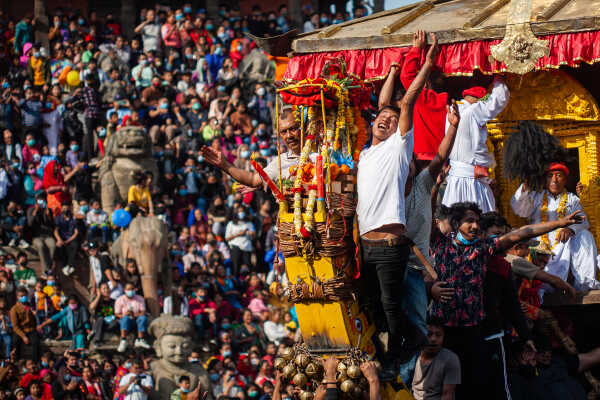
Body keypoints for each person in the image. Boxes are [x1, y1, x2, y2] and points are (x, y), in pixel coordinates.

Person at [430, 201, 584, 398]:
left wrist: (559, 223)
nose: (475, 226)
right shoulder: (440, 246)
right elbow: (427, 205)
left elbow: (523, 233)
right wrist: (433, 187)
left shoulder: (483, 249)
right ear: (455, 223)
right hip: (445, 335)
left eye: (477, 222)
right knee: (448, 391)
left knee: (476, 388)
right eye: (469, 221)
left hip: (473, 335)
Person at [357, 32, 437, 378]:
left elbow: (404, 104)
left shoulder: (397, 149)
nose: (386, 121)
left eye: (392, 121)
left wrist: (424, 64)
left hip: (390, 244)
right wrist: (390, 72)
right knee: (373, 306)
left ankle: (401, 354)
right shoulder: (366, 153)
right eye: (381, 118)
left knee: (391, 307)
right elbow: (385, 105)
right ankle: (396, 348)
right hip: (367, 243)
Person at [511, 162, 600, 295]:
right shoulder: (536, 197)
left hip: (563, 246)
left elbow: (583, 220)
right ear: (545, 180)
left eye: (558, 175)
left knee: (585, 236)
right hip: (539, 248)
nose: (554, 180)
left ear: (565, 180)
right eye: (550, 176)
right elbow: (519, 209)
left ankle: (584, 285)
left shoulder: (572, 199)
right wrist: (525, 186)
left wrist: (570, 229)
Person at [441, 77, 510, 212]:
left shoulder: (453, 112)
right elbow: (500, 98)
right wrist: (499, 77)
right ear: (477, 100)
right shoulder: (472, 111)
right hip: (470, 181)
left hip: (458, 180)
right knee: (478, 222)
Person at [411, 317, 460, 400]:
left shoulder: (450, 359)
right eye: (429, 334)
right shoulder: (412, 357)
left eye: (438, 335)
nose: (433, 339)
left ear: (443, 336)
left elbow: (447, 395)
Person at [114, 283, 151, 352]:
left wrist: (135, 315)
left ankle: (140, 339)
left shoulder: (140, 298)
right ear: (124, 290)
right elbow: (117, 314)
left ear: (135, 289)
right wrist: (125, 314)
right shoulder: (120, 300)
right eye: (128, 289)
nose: (130, 291)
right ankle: (123, 340)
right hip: (125, 320)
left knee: (143, 318)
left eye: (132, 289)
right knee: (125, 318)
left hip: (136, 319)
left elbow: (143, 311)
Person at [26, 193, 56, 274]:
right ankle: (45, 270)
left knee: (52, 245)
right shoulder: (30, 210)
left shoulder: (47, 210)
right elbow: (30, 224)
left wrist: (48, 215)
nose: (41, 202)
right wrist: (35, 211)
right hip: (37, 236)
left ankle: (49, 267)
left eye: (42, 200)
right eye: (39, 200)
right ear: (35, 202)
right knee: (40, 246)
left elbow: (52, 225)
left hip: (47, 235)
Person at [10, 287, 40, 361]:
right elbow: (15, 326)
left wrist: (34, 314)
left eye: (25, 295)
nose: (23, 297)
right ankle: (17, 361)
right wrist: (23, 336)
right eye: (21, 296)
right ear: (17, 297)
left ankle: (35, 362)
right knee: (15, 341)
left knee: (36, 342)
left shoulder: (31, 306)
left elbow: (34, 321)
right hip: (20, 330)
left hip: (31, 329)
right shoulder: (14, 309)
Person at [54, 201, 80, 277]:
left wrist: (68, 240)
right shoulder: (58, 218)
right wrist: (59, 239)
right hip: (61, 238)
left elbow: (76, 232)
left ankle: (70, 265)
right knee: (60, 247)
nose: (65, 210)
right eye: (63, 208)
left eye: (66, 208)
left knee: (74, 245)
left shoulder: (73, 218)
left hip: (71, 238)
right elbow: (56, 231)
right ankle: (64, 266)